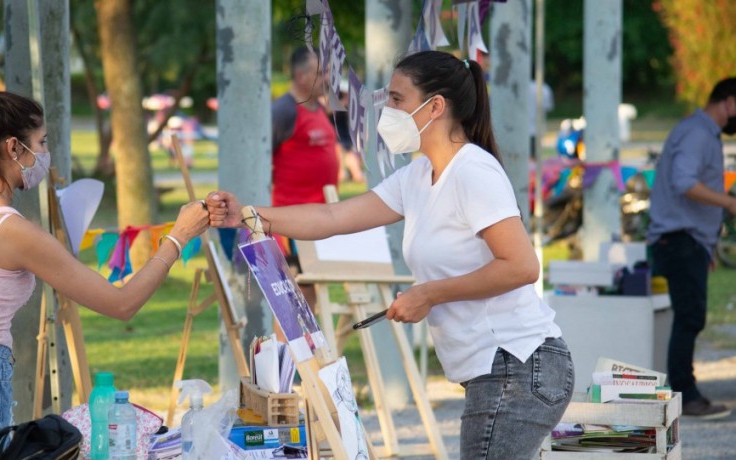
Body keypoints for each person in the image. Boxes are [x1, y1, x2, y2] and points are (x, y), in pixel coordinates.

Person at [207, 50, 574, 458]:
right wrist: (248, 215)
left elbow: (522, 267)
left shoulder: (473, 170)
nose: (388, 111)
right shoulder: (417, 175)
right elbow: (331, 217)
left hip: (520, 363)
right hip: (499, 370)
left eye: (398, 99)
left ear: (435, 106)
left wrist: (430, 293)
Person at [0, 85, 209, 457]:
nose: (47, 155)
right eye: (43, 142)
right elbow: (121, 304)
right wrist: (178, 237)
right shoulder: (11, 230)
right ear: (14, 148)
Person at [647, 77, 736, 419]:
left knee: (688, 316)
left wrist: (708, 243)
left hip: (691, 240)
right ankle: (685, 393)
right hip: (680, 239)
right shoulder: (698, 133)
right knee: (689, 317)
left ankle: (683, 389)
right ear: (728, 102)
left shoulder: (700, 132)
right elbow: (685, 182)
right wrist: (728, 203)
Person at [271, 46, 339, 208]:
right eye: (321, 74)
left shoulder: (320, 108)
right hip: (293, 217)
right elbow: (259, 160)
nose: (328, 79)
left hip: (323, 214)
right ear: (300, 76)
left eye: (328, 72)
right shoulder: (283, 110)